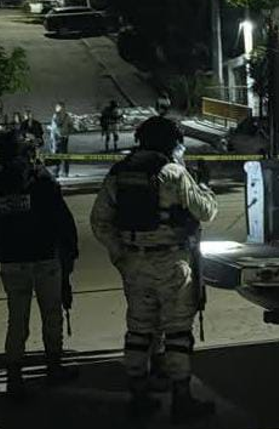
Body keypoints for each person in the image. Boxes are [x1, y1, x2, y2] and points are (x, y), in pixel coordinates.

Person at [91, 116, 218, 420]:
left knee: (139, 329)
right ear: (171, 143)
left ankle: (138, 396)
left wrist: (121, 254)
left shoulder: (119, 173)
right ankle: (181, 399)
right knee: (177, 332)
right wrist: (205, 187)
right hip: (171, 263)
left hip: (134, 263)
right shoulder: (172, 172)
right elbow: (206, 212)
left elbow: (99, 221)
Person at [0, 132, 79, 400]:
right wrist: (69, 254)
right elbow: (62, 220)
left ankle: (14, 378)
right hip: (44, 259)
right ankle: (53, 368)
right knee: (51, 314)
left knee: (17, 320)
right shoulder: (42, 180)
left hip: (13, 262)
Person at [51, 102, 74, 177]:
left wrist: (67, 132)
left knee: (58, 155)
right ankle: (63, 172)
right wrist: (67, 132)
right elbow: (71, 125)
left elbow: (54, 128)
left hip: (59, 137)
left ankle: (59, 172)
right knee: (62, 155)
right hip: (61, 137)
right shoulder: (65, 116)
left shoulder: (59, 116)